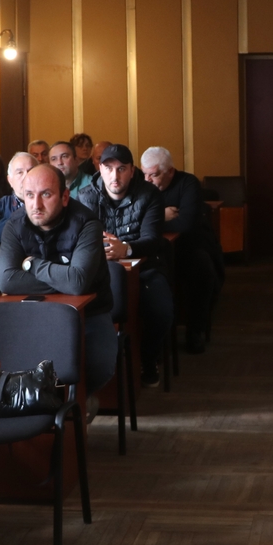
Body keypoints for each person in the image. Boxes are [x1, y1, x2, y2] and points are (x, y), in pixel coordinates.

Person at [0, 164, 116, 393]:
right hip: (34, 313)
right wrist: (64, 279)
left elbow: (77, 282)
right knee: (11, 362)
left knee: (99, 366)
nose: (36, 204)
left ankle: (78, 402)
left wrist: (31, 264)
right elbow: (7, 280)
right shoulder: (15, 224)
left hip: (89, 314)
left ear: (64, 197)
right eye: (29, 195)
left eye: (46, 195)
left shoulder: (87, 223)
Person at [78, 144, 174, 386]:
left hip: (145, 268)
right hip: (101, 272)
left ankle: (148, 359)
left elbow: (152, 240)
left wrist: (126, 248)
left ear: (132, 171)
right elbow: (80, 240)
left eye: (121, 169)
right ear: (100, 170)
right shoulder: (86, 196)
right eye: (109, 168)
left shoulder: (149, 194)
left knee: (161, 310)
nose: (115, 175)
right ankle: (103, 374)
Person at [142, 146, 223, 354]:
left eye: (154, 175)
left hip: (190, 245)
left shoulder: (188, 183)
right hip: (154, 249)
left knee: (202, 270)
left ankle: (195, 331)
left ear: (170, 171)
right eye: (144, 174)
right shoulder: (143, 186)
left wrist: (152, 222)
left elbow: (185, 224)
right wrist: (161, 216)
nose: (147, 180)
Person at [0, 151, 36, 237]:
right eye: (20, 172)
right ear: (10, 180)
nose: (26, 176)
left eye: (31, 171)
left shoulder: (52, 203)